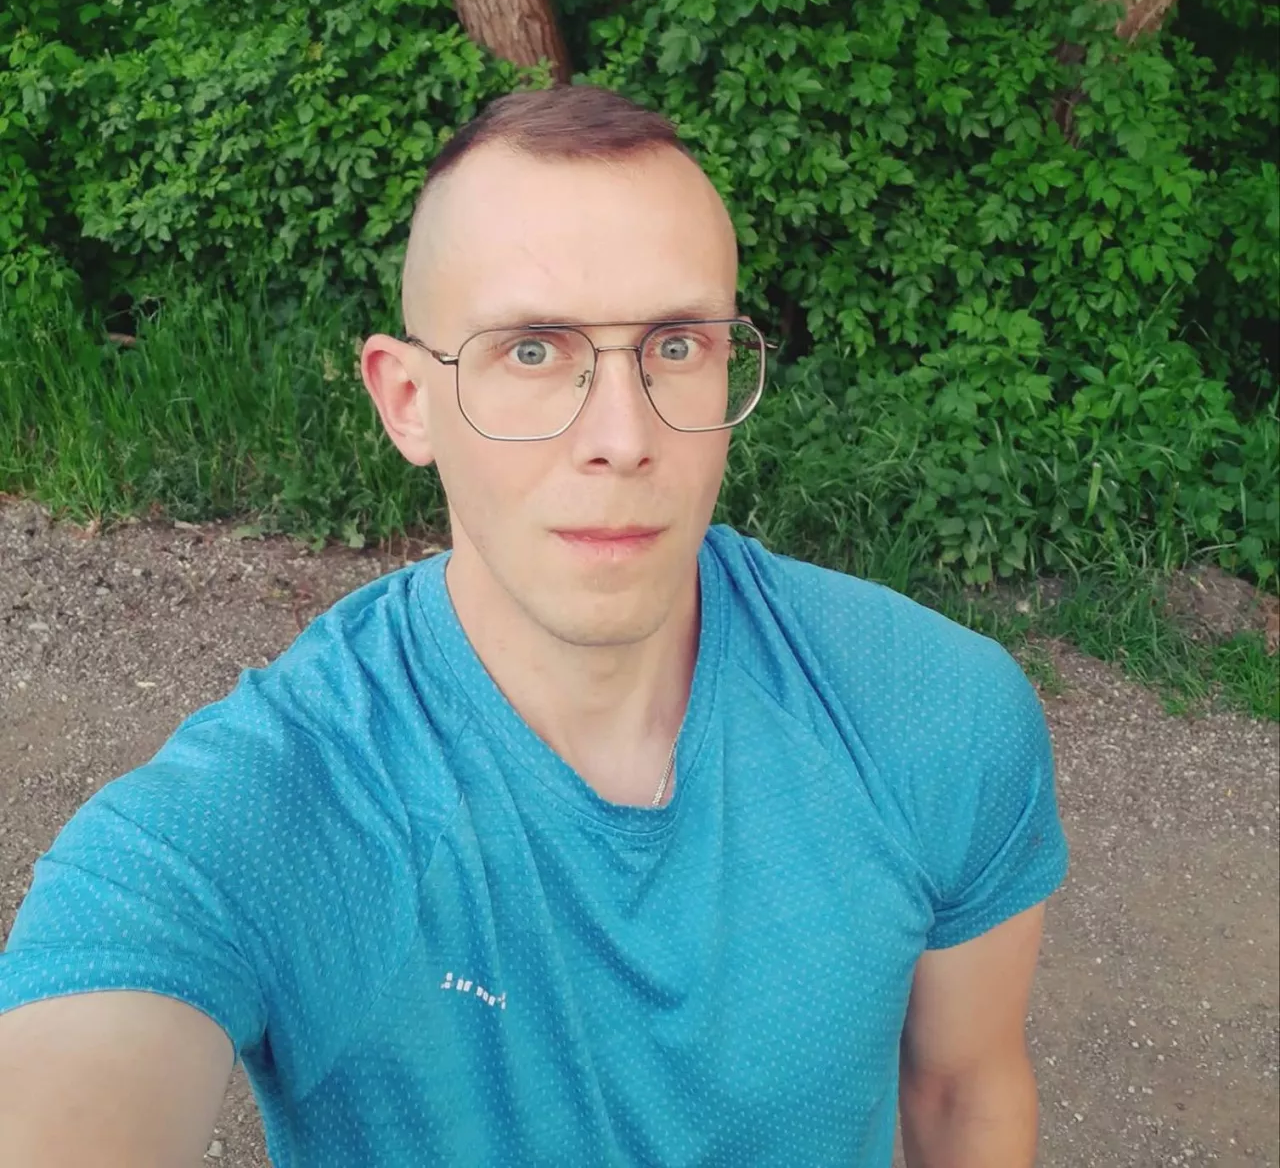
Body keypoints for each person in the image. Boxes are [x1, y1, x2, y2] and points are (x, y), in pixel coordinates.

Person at [0, 84, 1068, 1167]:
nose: (623, 436)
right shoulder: (274, 810)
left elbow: (961, 1089)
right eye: (531, 350)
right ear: (407, 400)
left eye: (676, 344)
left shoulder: (931, 711)